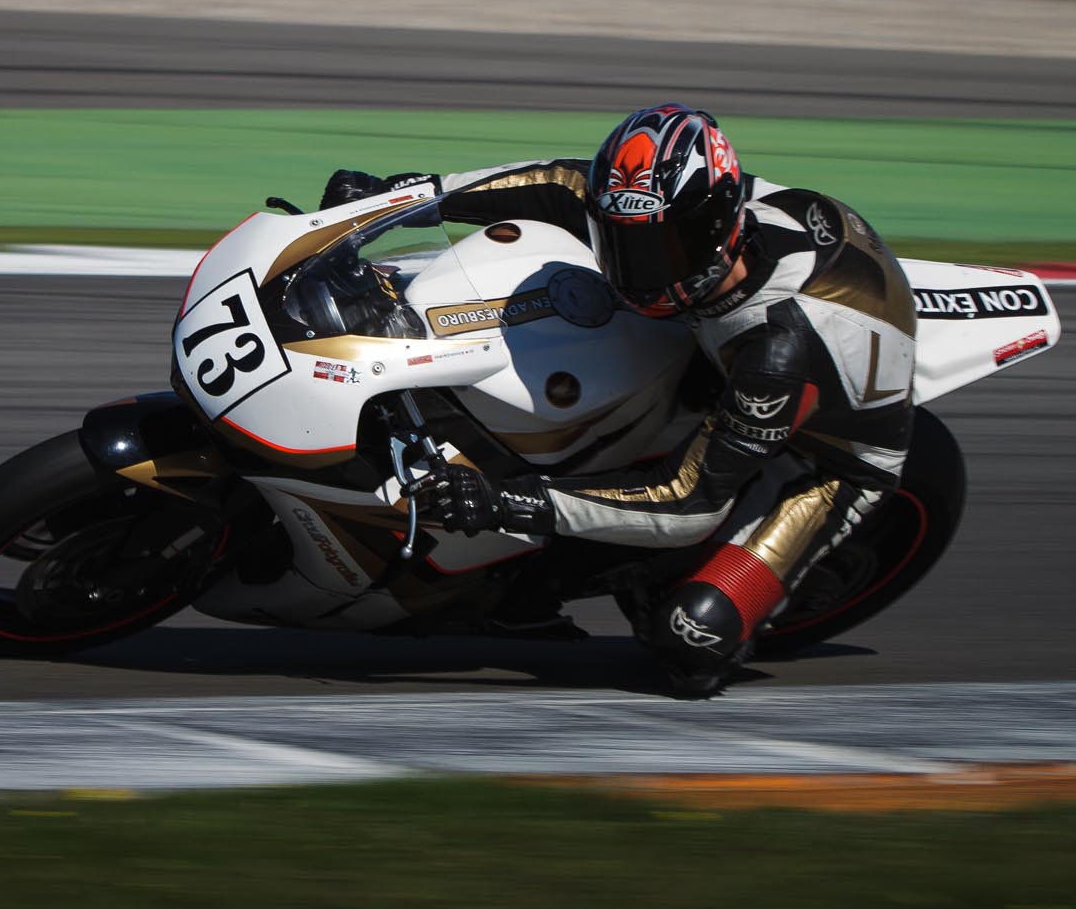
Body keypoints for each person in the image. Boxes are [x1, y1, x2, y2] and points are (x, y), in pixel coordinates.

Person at [322, 103, 917, 696]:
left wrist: (505, 503)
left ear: (719, 229)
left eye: (662, 250)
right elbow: (561, 183)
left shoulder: (775, 352)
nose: (638, 271)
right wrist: (403, 197)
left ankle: (712, 624)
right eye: (624, 244)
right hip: (717, 349)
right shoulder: (695, 211)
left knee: (688, 637)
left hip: (825, 465)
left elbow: (691, 502)